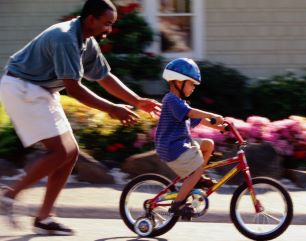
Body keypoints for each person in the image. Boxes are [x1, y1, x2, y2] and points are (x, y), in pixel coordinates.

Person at [0, 0, 160, 236]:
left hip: (41, 90)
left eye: (112, 24)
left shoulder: (87, 42)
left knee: (70, 153)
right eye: (106, 24)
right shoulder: (66, 37)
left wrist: (137, 101)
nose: (109, 29)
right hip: (22, 87)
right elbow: (74, 89)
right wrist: (112, 109)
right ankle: (9, 196)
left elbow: (104, 77)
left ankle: (44, 217)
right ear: (90, 20)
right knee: (59, 152)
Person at [155, 58, 224, 220]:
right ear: (178, 82)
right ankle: (177, 205)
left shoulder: (180, 102)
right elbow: (192, 113)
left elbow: (199, 120)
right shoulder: (171, 99)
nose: (193, 88)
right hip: (172, 146)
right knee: (198, 167)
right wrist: (212, 115)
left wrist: (221, 127)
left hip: (180, 143)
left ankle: (196, 179)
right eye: (191, 84)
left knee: (208, 144)